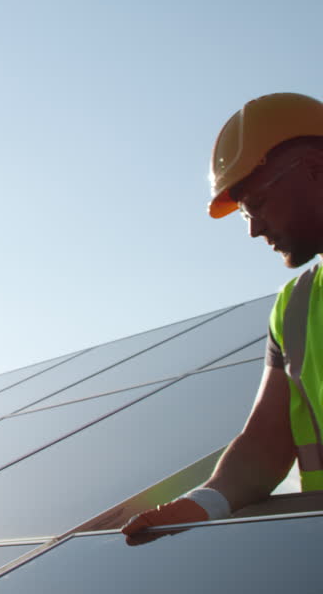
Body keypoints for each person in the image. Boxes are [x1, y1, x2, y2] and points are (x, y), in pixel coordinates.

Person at [122, 92, 323, 538]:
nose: (254, 228)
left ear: (314, 168)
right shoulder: (296, 306)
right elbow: (266, 444)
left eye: (258, 202)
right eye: (245, 213)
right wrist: (204, 504)